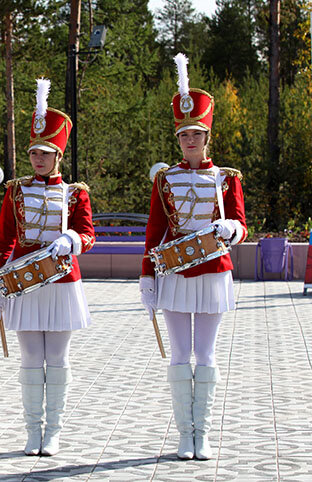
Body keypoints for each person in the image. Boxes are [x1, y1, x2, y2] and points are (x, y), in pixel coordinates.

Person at [139, 54, 246, 461]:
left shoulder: (227, 177)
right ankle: (185, 433)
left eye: (195, 134)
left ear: (207, 137)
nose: (189, 141)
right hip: (176, 276)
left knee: (207, 354)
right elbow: (155, 231)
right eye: (183, 134)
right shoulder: (165, 179)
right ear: (178, 138)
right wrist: (148, 276)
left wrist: (231, 230)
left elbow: (240, 221)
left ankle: (204, 433)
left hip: (214, 271)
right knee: (180, 354)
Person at [0, 79, 95, 456]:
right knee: (32, 357)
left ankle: (54, 431)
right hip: (23, 283)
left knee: (58, 358)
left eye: (45, 153)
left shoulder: (75, 192)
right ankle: (32, 430)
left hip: (63, 282)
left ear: (58, 156)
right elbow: (4, 241)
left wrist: (71, 240)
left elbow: (88, 233)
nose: (37, 159)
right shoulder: (16, 191)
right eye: (34, 152)